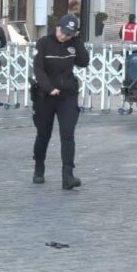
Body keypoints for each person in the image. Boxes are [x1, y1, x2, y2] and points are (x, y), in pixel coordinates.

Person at [31, 14, 89, 190]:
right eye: (63, 32)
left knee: (68, 134)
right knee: (43, 134)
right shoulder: (43, 43)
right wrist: (49, 88)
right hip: (45, 96)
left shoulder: (73, 43)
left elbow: (84, 62)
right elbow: (38, 69)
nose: (64, 36)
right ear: (57, 27)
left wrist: (77, 40)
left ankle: (68, 175)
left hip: (67, 96)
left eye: (69, 34)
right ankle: (39, 168)